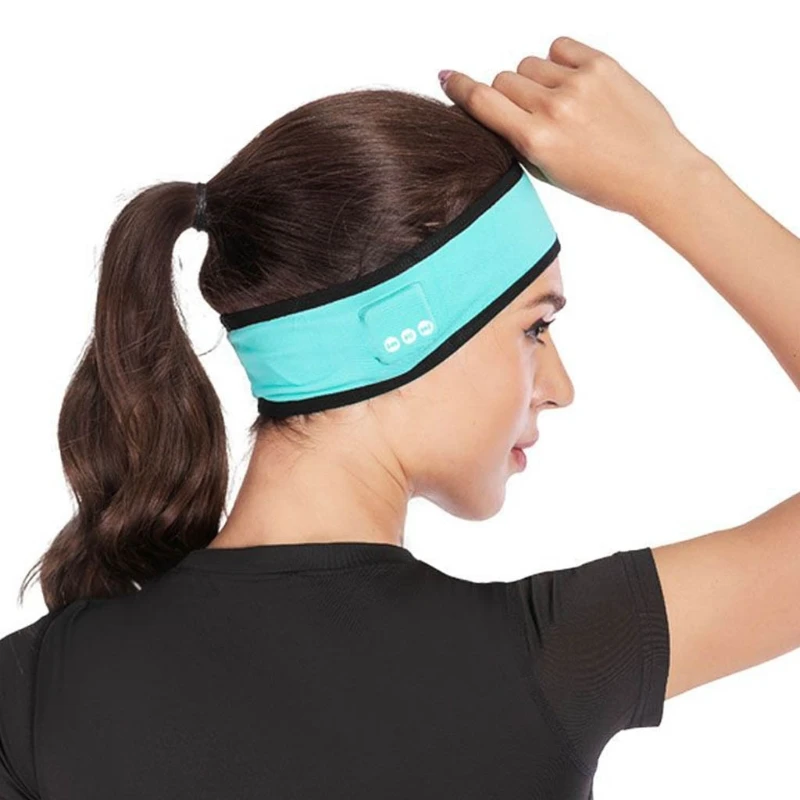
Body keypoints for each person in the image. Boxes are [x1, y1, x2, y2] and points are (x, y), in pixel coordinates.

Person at [1, 34, 798, 799]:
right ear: (402, 334)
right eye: (535, 326)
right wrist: (671, 178)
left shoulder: (29, 696)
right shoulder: (555, 658)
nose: (560, 386)